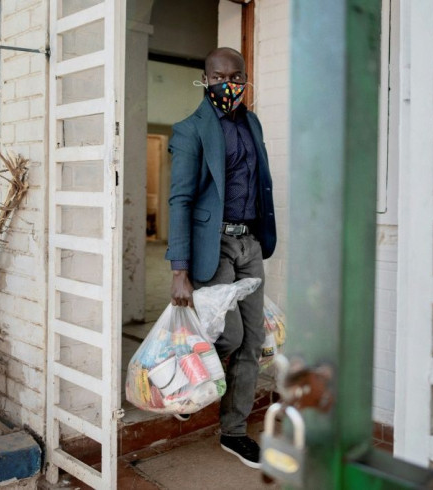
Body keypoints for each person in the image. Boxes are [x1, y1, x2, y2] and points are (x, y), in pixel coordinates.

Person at [165, 47, 276, 469]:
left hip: (249, 243)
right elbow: (179, 200)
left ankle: (233, 431)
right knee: (226, 336)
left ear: (245, 78)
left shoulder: (252, 122)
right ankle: (186, 388)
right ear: (205, 78)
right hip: (214, 246)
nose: (227, 84)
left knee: (252, 342)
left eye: (235, 76)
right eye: (218, 76)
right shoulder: (190, 130)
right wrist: (180, 271)